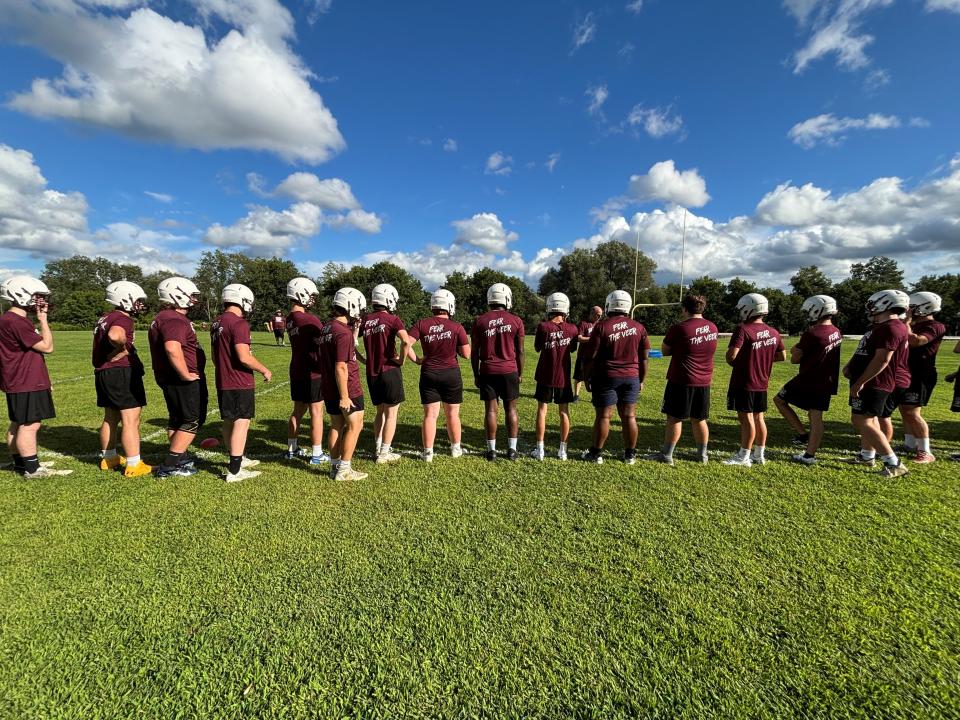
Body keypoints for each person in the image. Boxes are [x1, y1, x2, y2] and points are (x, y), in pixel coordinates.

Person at [0, 276, 71, 478]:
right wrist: (43, 321)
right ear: (20, 294)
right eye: (36, 296)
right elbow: (47, 347)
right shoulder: (17, 321)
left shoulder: (5, 319)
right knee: (30, 424)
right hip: (26, 379)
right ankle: (32, 469)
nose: (39, 301)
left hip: (16, 378)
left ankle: (21, 464)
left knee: (18, 422)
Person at [843, 289, 911, 478]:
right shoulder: (885, 326)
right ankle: (867, 456)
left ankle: (893, 461)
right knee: (869, 420)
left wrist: (860, 382)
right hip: (873, 381)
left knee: (861, 420)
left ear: (885, 303)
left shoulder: (891, 327)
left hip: (875, 382)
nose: (870, 308)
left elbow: (882, 359)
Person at [773, 295, 843, 465]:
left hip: (808, 379)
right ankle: (809, 453)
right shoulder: (836, 331)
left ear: (817, 310)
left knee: (779, 400)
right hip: (826, 380)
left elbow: (794, 359)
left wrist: (796, 349)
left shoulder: (812, 333)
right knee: (816, 416)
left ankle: (803, 436)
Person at [647, 294, 718, 465]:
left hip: (682, 379)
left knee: (674, 418)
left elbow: (665, 351)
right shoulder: (712, 327)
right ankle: (703, 456)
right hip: (704, 380)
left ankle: (667, 455)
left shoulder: (679, 328)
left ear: (685, 309)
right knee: (700, 419)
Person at [211, 284, 272, 483]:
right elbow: (244, 357)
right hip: (239, 380)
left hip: (223, 379)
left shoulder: (216, 322)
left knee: (229, 421)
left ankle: (238, 459)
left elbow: (214, 356)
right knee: (241, 422)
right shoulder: (238, 323)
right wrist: (264, 368)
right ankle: (235, 470)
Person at [581, 290, 650, 465]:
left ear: (609, 305)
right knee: (629, 416)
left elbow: (591, 356)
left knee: (604, 416)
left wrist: (586, 376)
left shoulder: (602, 326)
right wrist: (641, 379)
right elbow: (644, 358)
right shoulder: (639, 327)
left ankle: (596, 453)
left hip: (606, 376)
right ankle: (630, 454)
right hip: (631, 376)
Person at [148, 276, 207, 478]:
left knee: (177, 419)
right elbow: (172, 348)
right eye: (191, 295)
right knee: (190, 421)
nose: (194, 300)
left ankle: (180, 457)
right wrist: (185, 374)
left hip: (168, 377)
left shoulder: (163, 317)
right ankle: (171, 465)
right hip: (179, 378)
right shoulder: (174, 319)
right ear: (177, 294)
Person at [93, 280, 152, 477]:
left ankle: (109, 458)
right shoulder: (122, 319)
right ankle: (134, 463)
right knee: (130, 419)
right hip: (120, 372)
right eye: (137, 301)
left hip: (104, 372)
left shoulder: (104, 317)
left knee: (110, 417)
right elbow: (115, 335)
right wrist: (121, 346)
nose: (140, 305)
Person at [407, 289, 470, 462]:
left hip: (429, 373)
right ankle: (456, 449)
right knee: (452, 415)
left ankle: (428, 453)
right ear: (449, 306)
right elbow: (466, 354)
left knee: (430, 415)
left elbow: (406, 343)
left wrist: (417, 360)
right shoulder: (457, 326)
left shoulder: (422, 324)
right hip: (451, 373)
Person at [723, 293, 786, 467]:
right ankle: (759, 455)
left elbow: (732, 355)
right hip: (762, 381)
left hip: (745, 380)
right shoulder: (773, 332)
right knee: (759, 418)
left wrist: (745, 359)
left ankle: (744, 455)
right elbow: (782, 356)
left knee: (746, 419)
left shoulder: (743, 328)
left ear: (748, 308)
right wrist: (761, 358)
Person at [471, 282, 525, 461]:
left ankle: (491, 450)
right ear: (507, 299)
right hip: (509, 369)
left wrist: (476, 374)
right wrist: (520, 372)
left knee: (491, 410)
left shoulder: (480, 320)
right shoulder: (516, 320)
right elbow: (521, 351)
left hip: (488, 370)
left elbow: (475, 352)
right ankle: (512, 450)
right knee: (511, 409)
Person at [360, 283, 413, 464]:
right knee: (391, 413)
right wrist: (401, 361)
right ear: (389, 299)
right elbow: (406, 342)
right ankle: (384, 452)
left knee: (380, 411)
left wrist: (363, 360)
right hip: (389, 370)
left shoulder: (366, 319)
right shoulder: (393, 319)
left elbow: (352, 343)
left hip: (372, 372)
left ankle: (377, 445)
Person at [319, 287, 367, 481]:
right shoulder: (342, 332)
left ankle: (334, 466)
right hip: (346, 387)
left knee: (336, 425)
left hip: (328, 386)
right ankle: (344, 470)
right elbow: (341, 366)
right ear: (351, 306)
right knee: (355, 425)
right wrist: (345, 396)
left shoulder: (326, 328)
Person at [284, 277, 329, 464]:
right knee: (317, 412)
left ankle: (292, 448)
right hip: (313, 370)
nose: (312, 299)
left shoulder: (290, 319)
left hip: (297, 369)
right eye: (310, 295)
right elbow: (324, 340)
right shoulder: (308, 319)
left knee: (297, 411)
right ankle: (317, 452)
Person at [529, 292, 578, 461]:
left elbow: (537, 347)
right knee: (564, 412)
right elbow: (572, 349)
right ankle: (562, 451)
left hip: (545, 375)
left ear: (549, 307)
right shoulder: (572, 329)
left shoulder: (543, 327)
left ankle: (540, 449)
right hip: (563, 377)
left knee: (542, 411)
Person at [899, 292, 946, 463]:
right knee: (904, 410)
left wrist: (907, 323)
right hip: (907, 372)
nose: (909, 310)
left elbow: (915, 341)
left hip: (921, 374)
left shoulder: (935, 326)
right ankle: (910, 444)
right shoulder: (916, 324)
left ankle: (926, 451)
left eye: (912, 307)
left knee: (912, 411)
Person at [573, 305, 602, 400]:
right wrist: (592, 339)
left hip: (595, 356)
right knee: (579, 376)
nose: (599, 317)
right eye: (598, 315)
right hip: (583, 355)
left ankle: (594, 396)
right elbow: (579, 338)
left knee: (594, 377)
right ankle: (576, 395)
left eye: (601, 315)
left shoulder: (599, 325)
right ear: (592, 313)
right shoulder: (584, 324)